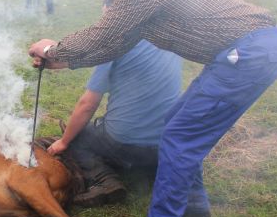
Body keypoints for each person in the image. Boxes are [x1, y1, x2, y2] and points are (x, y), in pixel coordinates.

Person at [28, 0, 277, 217]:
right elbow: (114, 45)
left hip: (244, 56)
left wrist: (53, 49)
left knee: (177, 136)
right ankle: (195, 208)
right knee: (176, 124)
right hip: (244, 53)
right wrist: (60, 61)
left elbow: (102, 35)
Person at [44, 39, 182, 207]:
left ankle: (105, 182)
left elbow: (87, 105)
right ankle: (149, 172)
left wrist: (64, 142)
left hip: (128, 145)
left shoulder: (116, 46)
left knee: (79, 134)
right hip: (167, 144)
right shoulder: (171, 42)